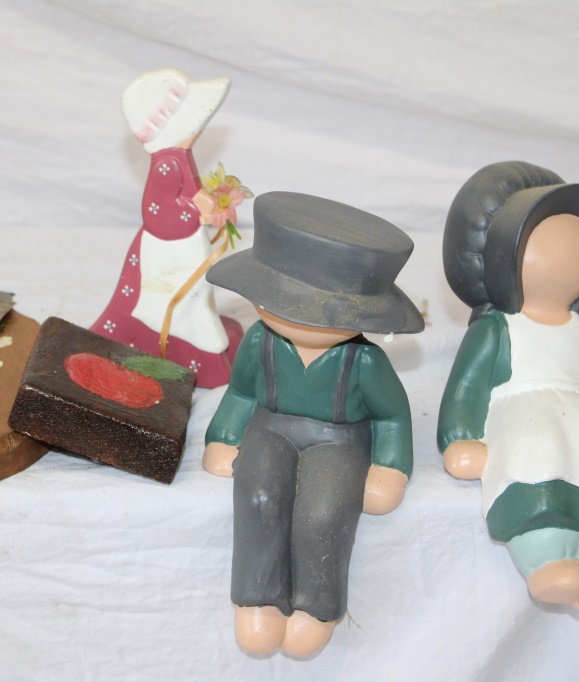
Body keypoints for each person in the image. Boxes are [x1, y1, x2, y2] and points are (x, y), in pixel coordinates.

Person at [203, 191, 424, 657]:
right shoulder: (260, 342)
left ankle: (316, 606)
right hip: (270, 428)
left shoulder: (362, 361)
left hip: (337, 443)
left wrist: (390, 467)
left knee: (323, 512)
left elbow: (391, 416)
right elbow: (241, 393)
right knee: (259, 493)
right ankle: (258, 596)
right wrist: (224, 435)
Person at [438, 161, 579, 617]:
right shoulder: (498, 330)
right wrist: (461, 437)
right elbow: (467, 390)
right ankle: (546, 560)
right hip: (524, 418)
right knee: (537, 475)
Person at [90, 68, 243, 388]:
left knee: (198, 295)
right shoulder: (166, 164)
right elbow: (157, 213)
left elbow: (191, 192)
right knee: (184, 300)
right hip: (169, 252)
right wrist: (200, 214)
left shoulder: (179, 156)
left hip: (184, 245)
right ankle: (200, 357)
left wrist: (211, 202)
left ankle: (207, 345)